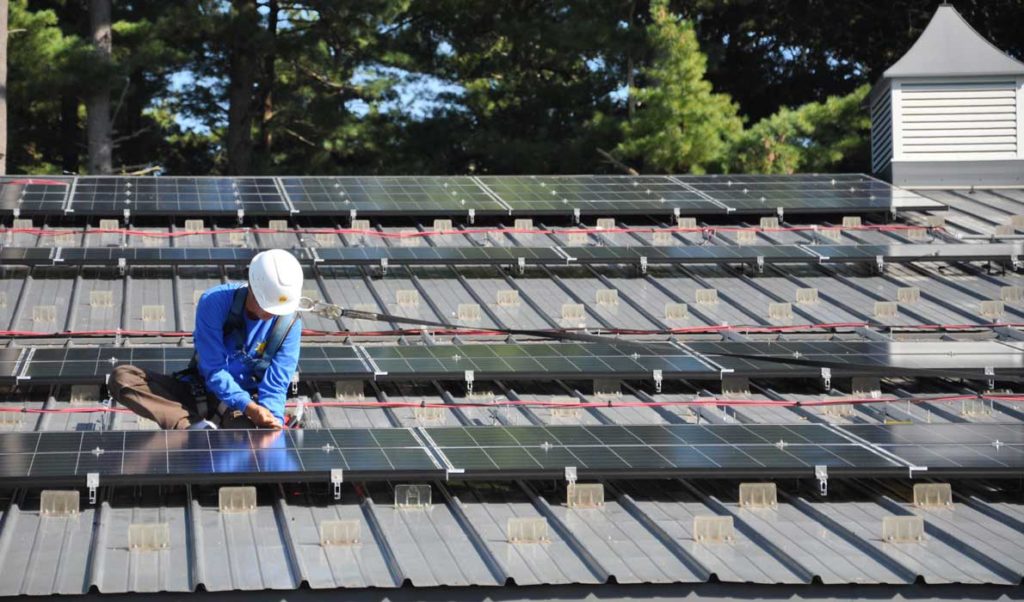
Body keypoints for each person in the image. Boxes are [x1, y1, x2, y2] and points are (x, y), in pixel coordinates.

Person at [109, 249, 304, 429]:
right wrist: (247, 406)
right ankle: (195, 428)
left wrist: (272, 421)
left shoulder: (289, 324)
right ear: (252, 286)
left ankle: (209, 434)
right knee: (123, 378)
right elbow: (214, 370)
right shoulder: (215, 303)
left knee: (252, 444)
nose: (273, 314)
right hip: (201, 390)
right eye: (268, 306)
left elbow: (276, 385)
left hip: (247, 405)